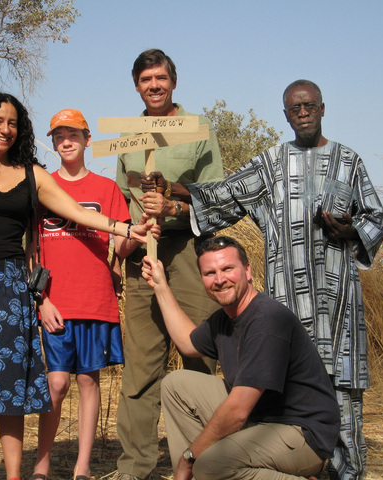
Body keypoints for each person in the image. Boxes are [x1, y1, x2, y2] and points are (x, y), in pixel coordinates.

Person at [143, 80, 383, 480]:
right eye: (294, 108)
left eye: (309, 105)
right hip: (285, 305)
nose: (303, 112)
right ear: (286, 115)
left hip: (337, 306)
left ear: (323, 108)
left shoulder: (349, 162)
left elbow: (375, 219)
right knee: (275, 398)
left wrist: (348, 230)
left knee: (342, 400)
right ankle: (266, 463)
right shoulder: (271, 164)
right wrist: (173, 191)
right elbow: (228, 193)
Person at [0, 93, 152, 480]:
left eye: (12, 123)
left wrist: (125, 228)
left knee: (11, 384)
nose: (5, 129)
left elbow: (74, 211)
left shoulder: (31, 175)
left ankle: (14, 475)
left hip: (8, 285)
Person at [140, 235, 340, 480]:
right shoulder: (225, 319)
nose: (219, 279)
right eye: (210, 273)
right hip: (261, 419)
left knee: (209, 465)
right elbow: (187, 342)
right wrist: (160, 285)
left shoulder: (267, 320)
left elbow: (237, 412)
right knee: (176, 385)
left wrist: (190, 457)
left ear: (247, 271)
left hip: (302, 434)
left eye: (227, 269)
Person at [113, 48, 225, 480]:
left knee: (198, 354)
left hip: (188, 254)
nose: (154, 86)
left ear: (173, 82)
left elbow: (216, 195)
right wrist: (134, 230)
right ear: (137, 86)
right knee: (141, 365)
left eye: (160, 78)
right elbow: (121, 199)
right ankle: (134, 467)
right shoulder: (126, 136)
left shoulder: (197, 129)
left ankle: (201, 461)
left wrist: (174, 209)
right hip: (144, 253)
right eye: (145, 80)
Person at [30, 109, 159, 480]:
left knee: (88, 380)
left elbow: (120, 246)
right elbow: (30, 251)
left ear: (87, 140)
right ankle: (42, 462)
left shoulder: (106, 189)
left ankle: (82, 466)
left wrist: (139, 233)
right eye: (58, 136)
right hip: (56, 302)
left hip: (96, 299)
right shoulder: (42, 188)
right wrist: (43, 300)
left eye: (73, 134)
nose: (66, 141)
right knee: (56, 382)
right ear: (53, 143)